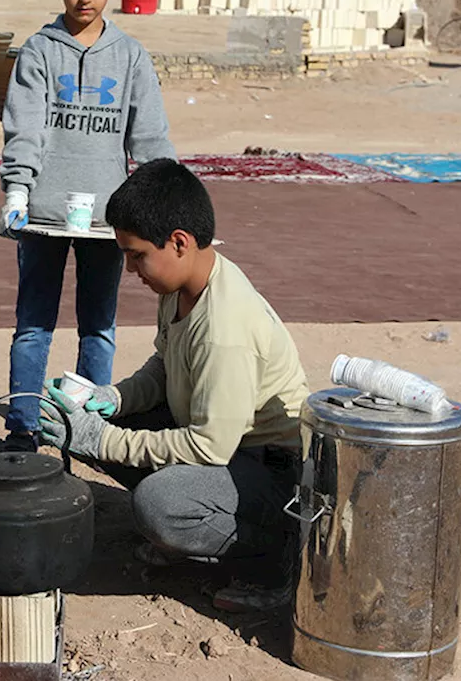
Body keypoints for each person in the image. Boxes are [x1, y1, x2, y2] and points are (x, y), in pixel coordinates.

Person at [39, 159, 311, 613]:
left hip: (271, 471)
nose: (129, 268)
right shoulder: (180, 288)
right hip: (227, 446)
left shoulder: (225, 328)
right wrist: (112, 399)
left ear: (179, 243)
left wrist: (105, 439)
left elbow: (209, 448)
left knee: (159, 505)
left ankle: (274, 557)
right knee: (85, 424)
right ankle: (208, 524)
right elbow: (165, 366)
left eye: (136, 254)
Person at [0, 0, 175, 451]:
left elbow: (150, 139)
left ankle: (83, 428)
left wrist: (161, 203)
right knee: (34, 326)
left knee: (98, 328)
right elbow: (23, 126)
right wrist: (17, 191)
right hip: (43, 216)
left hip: (107, 224)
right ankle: (23, 428)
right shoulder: (39, 53)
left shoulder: (131, 58)